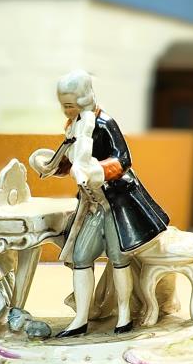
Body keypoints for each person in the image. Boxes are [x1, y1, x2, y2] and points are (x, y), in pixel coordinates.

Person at [30, 71, 168, 337]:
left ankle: (124, 315)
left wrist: (96, 171)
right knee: (81, 256)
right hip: (91, 204)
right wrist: (52, 166)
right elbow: (71, 161)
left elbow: (123, 159)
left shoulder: (103, 124)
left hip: (117, 203)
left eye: (70, 104)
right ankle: (81, 318)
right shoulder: (74, 126)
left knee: (118, 258)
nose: (66, 110)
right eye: (64, 105)